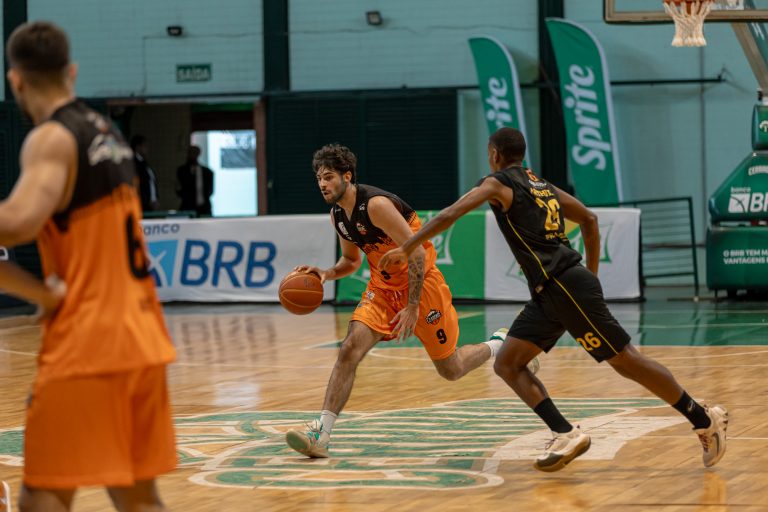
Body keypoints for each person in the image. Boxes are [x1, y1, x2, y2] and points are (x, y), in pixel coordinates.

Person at [380, 127, 728, 472]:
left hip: (561, 284)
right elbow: (589, 219)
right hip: (550, 292)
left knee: (626, 361)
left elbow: (449, 214)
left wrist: (407, 247)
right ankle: (565, 433)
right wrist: (592, 275)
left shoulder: (497, 183)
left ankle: (702, 418)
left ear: (494, 154)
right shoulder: (542, 185)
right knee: (508, 363)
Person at [1, 21, 177, 511]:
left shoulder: (52, 138)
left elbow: (17, 222)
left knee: (44, 494)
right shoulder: (109, 135)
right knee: (138, 498)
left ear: (16, 80)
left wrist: (46, 294)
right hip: (142, 339)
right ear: (72, 72)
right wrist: (42, 294)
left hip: (88, 344)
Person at [285, 143, 537, 458]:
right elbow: (350, 261)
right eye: (319, 179)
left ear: (347, 176)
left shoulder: (376, 206)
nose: (322, 184)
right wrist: (326, 273)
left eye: (328, 177)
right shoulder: (338, 216)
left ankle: (499, 344)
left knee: (451, 368)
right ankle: (321, 433)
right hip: (382, 289)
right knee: (349, 349)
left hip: (423, 286)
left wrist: (413, 306)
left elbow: (416, 254)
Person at [176, 145, 213, 216]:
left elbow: (210, 190)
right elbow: (179, 188)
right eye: (190, 152)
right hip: (187, 206)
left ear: (198, 154)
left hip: (204, 207)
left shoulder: (207, 172)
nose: (192, 155)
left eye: (194, 153)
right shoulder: (182, 170)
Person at [131, 134, 159, 212]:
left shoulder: (144, 163)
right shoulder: (134, 163)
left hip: (150, 204)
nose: (147, 149)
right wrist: (147, 201)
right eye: (144, 146)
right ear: (138, 147)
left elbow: (151, 182)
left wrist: (155, 198)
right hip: (143, 205)